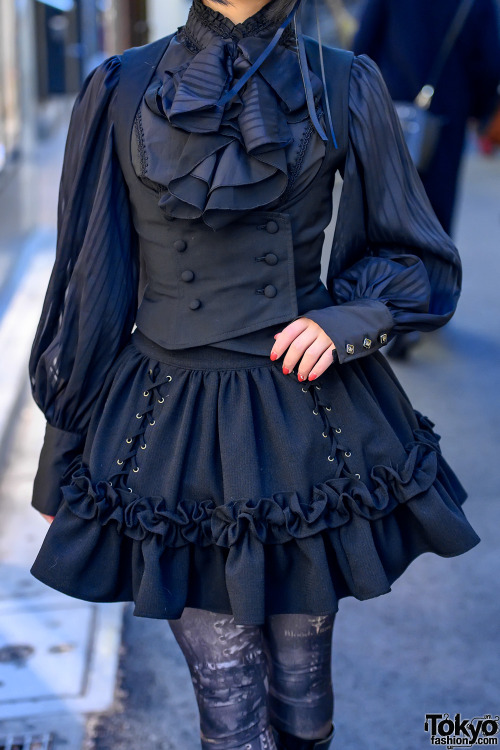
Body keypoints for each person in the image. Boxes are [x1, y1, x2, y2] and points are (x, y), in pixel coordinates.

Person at [28, 0, 480, 748]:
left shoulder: (345, 83)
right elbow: (92, 290)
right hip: (169, 438)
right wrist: (61, 458)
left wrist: (350, 320)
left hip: (303, 425)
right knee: (229, 710)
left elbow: (417, 254)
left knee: (303, 695)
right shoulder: (120, 86)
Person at [353, 0, 500, 237]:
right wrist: (478, 110)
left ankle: (385, 272)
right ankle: (430, 273)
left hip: (388, 111)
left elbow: (363, 46)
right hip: (447, 119)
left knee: (382, 213)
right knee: (434, 222)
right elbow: (490, 64)